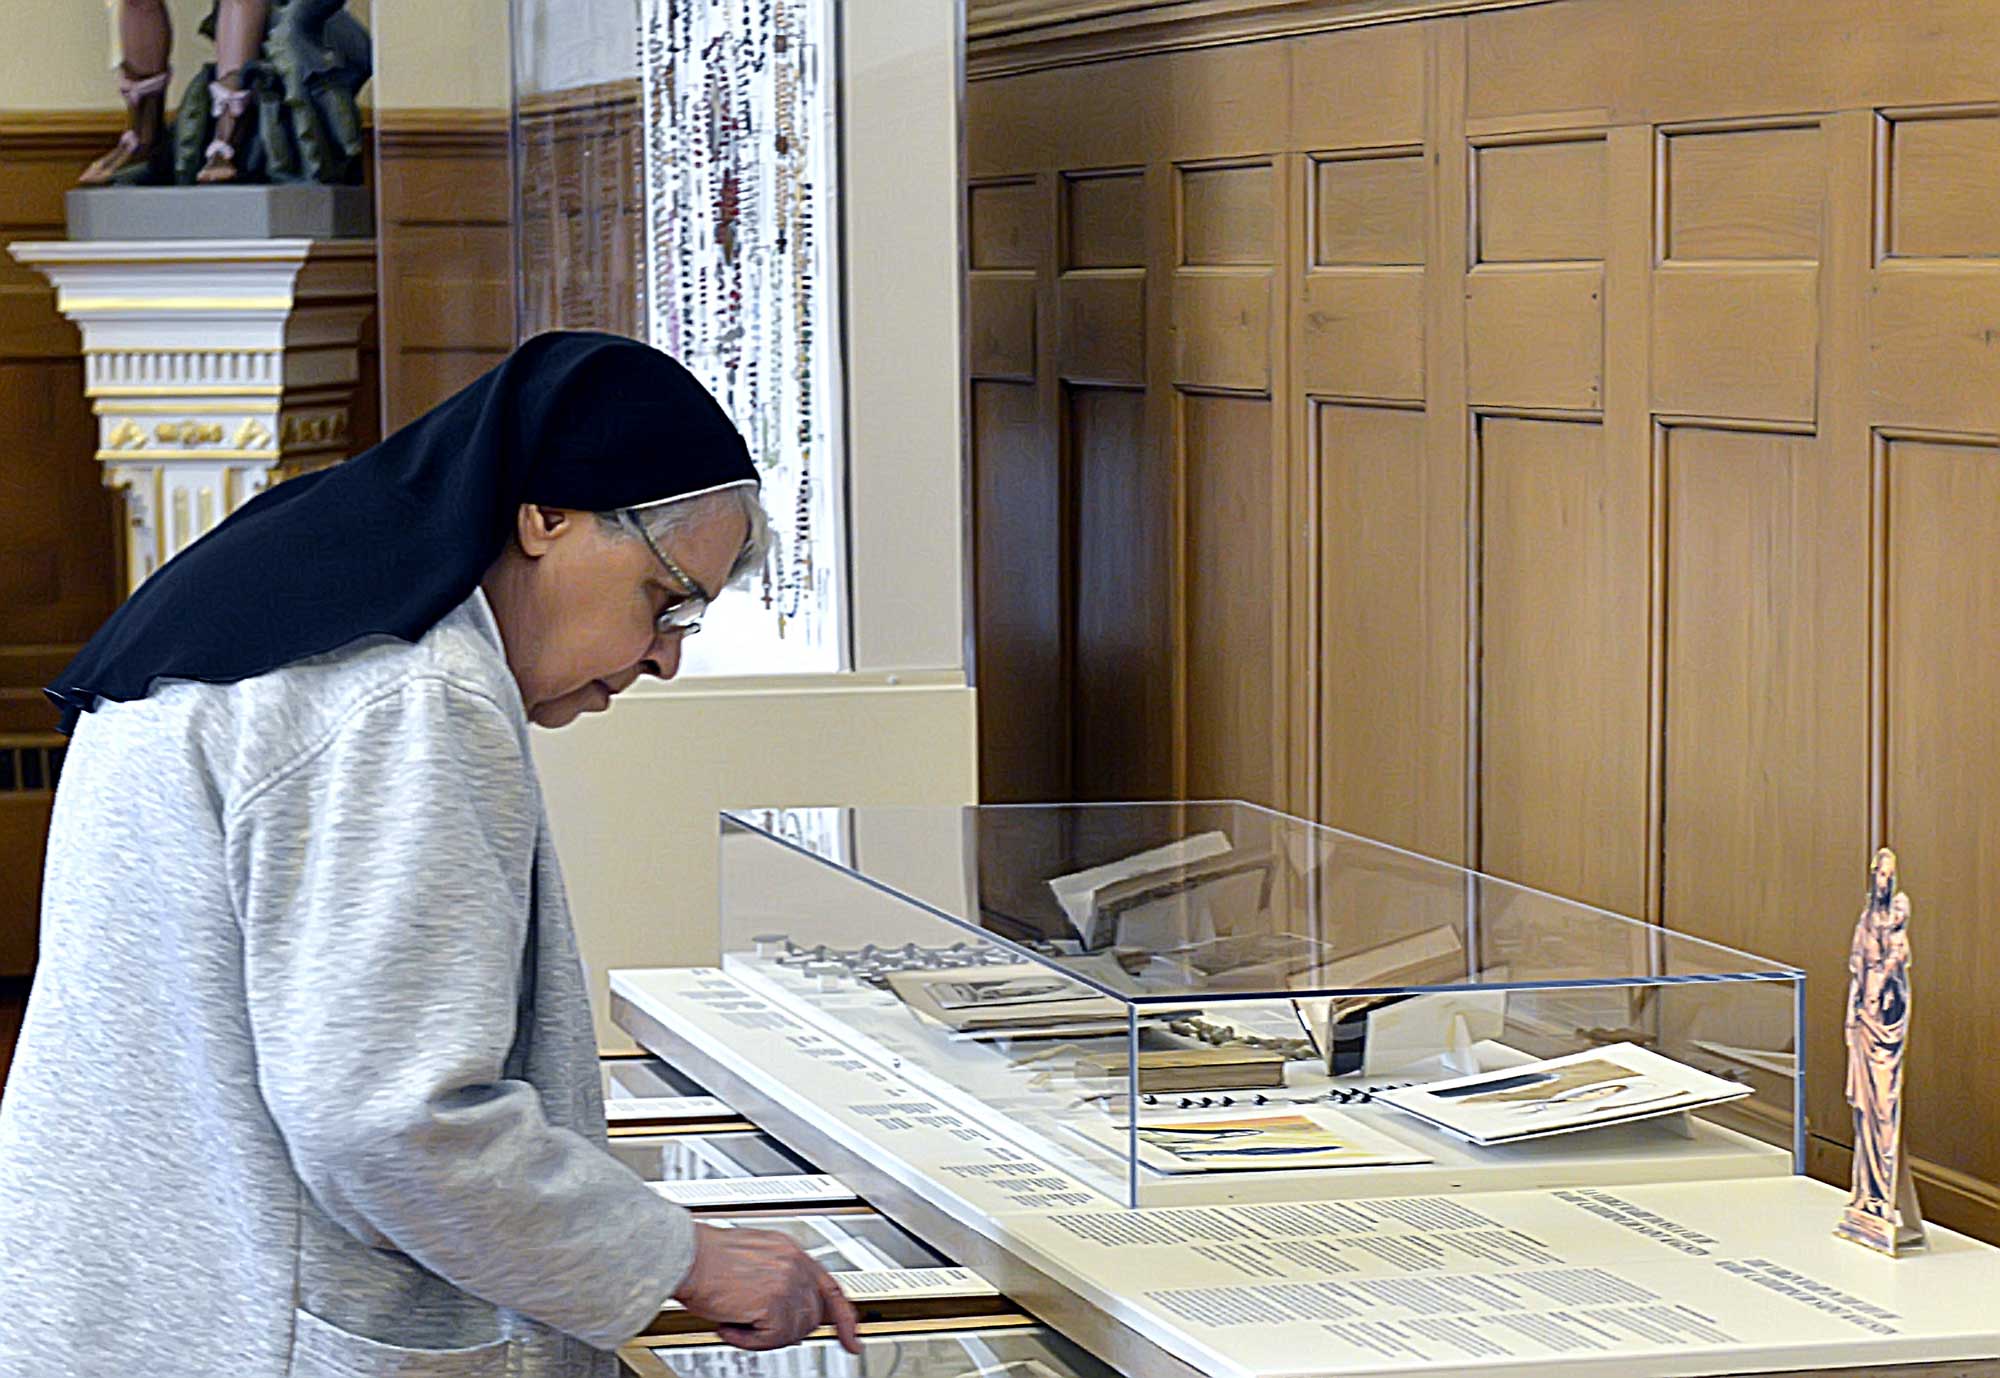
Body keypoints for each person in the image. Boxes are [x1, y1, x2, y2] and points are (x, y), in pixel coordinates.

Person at [0, 332, 860, 1375]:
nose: (668, 656)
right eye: (664, 598)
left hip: (143, 1305)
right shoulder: (411, 693)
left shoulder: (281, 613)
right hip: (262, 1330)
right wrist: (685, 1258)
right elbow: (392, 1123)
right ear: (544, 515)